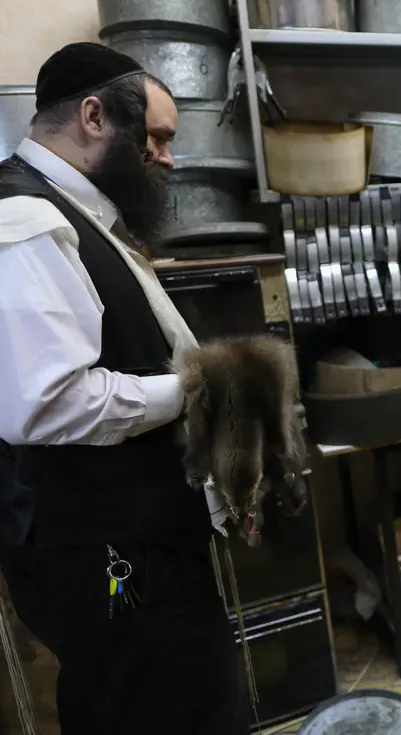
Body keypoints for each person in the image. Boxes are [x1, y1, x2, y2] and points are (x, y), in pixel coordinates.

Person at [0, 43, 247, 734]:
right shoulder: (26, 223)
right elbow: (49, 403)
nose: (167, 157)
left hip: (135, 545)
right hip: (109, 557)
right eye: (157, 138)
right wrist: (193, 388)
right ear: (93, 116)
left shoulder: (75, 215)